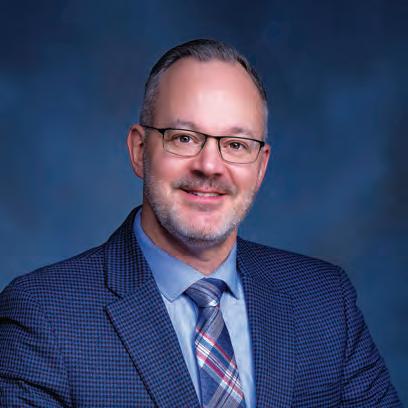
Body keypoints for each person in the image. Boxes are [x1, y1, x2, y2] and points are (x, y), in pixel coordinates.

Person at [0, 39, 401, 407]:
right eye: (184, 138)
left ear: (261, 167)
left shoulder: (325, 302)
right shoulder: (44, 315)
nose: (209, 166)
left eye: (236, 145)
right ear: (139, 150)